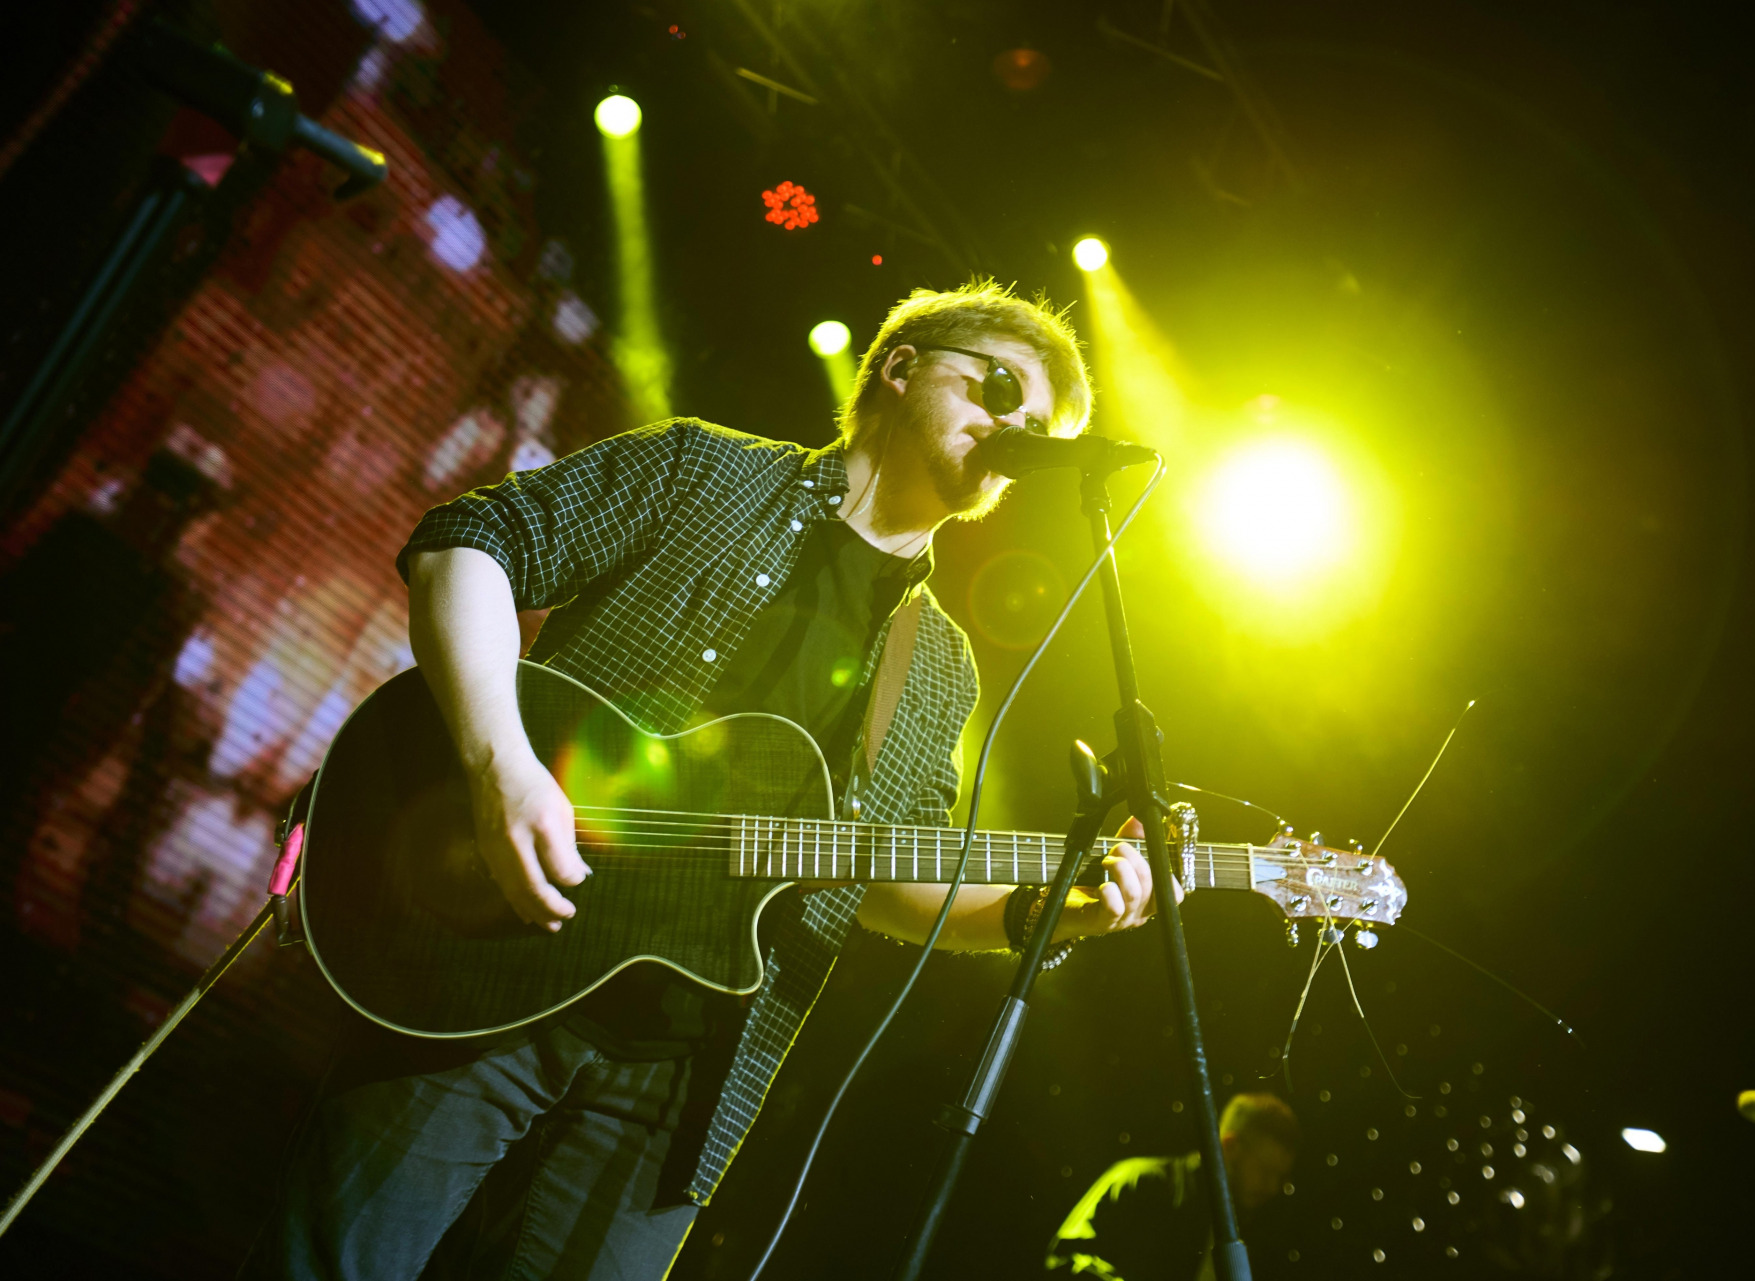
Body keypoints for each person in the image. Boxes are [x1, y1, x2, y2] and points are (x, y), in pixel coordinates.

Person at [244, 280, 1179, 1281]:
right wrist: (501, 765)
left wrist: (1057, 911)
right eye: (998, 388)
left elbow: (874, 880)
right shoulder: (705, 473)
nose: (1016, 431)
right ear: (900, 367)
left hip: (691, 1079)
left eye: (1039, 426)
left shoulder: (941, 667)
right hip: (494, 969)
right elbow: (468, 546)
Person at [1046, 1092, 1301, 1281]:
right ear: (1230, 1147)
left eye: (1280, 1177)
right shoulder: (1141, 1179)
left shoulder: (1244, 1229)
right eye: (1266, 1171)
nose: (1273, 1187)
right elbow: (1064, 1261)